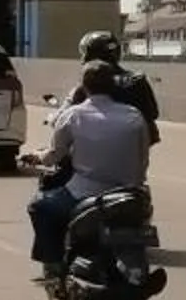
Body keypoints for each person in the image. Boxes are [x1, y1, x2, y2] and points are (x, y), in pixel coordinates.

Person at [29, 61, 152, 273]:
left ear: (84, 86)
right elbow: (143, 158)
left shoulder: (74, 115)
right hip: (131, 195)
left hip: (85, 193)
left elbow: (53, 156)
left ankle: (54, 267)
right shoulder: (134, 115)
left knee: (40, 206)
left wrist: (36, 157)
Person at [69, 30, 161, 144]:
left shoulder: (90, 83)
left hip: (95, 146)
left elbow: (68, 115)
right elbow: (153, 113)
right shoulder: (137, 80)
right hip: (132, 148)